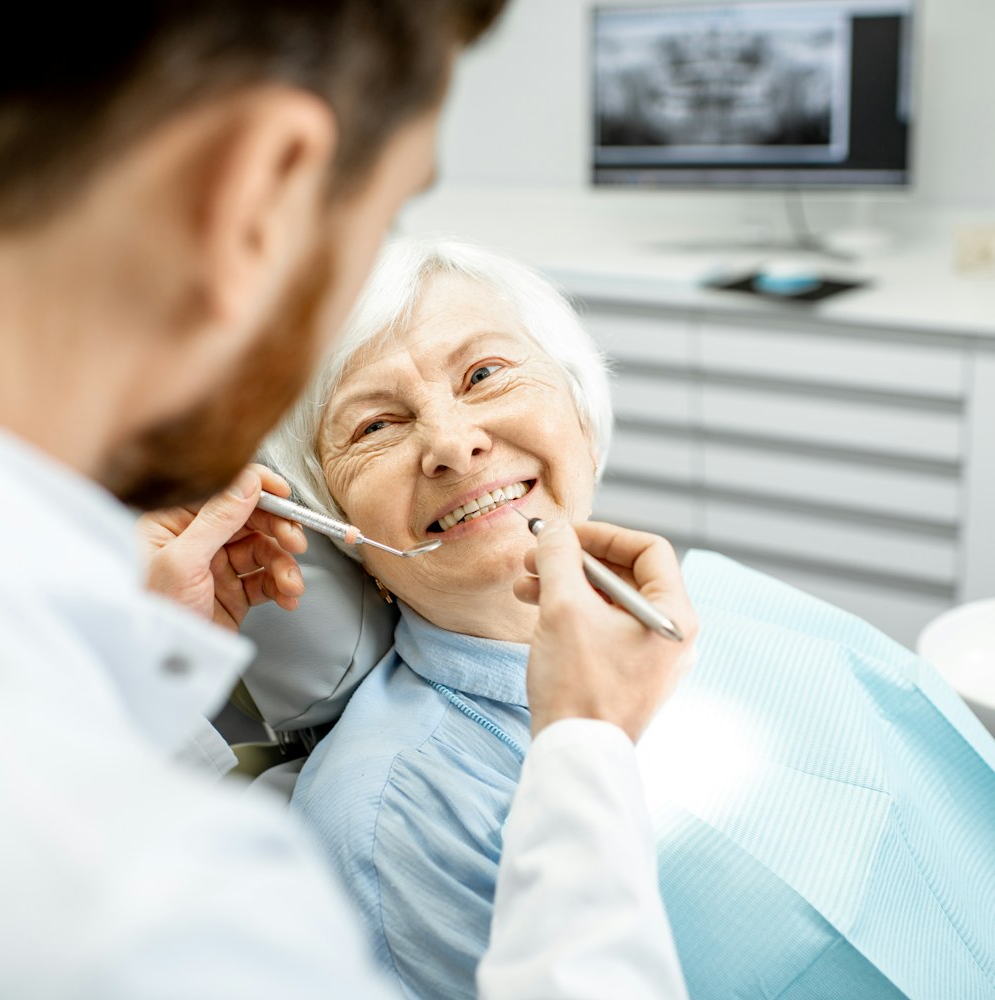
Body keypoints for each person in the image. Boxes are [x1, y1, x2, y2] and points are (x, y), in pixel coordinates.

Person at [0, 6, 698, 998]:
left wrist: (134, 659)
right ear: (261, 188)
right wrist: (582, 754)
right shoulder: (175, 898)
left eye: (488, 371)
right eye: (391, 208)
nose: (453, 441)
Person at [263, 236, 995, 1000]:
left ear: (578, 406)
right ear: (334, 522)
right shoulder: (391, 815)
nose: (453, 443)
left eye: (485, 374)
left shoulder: (727, 596)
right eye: (375, 426)